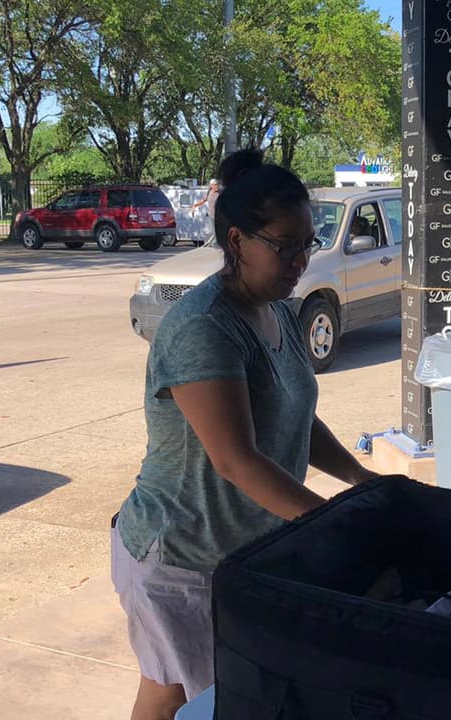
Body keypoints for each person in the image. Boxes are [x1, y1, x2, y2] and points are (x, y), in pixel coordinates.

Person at [111, 149, 379, 720]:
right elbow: (235, 459)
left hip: (239, 550)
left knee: (174, 690)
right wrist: (329, 523)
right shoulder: (204, 326)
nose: (301, 261)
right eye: (285, 246)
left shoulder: (277, 311)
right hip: (183, 553)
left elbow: (296, 415)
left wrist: (358, 478)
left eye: (308, 243)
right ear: (237, 241)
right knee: (195, 697)